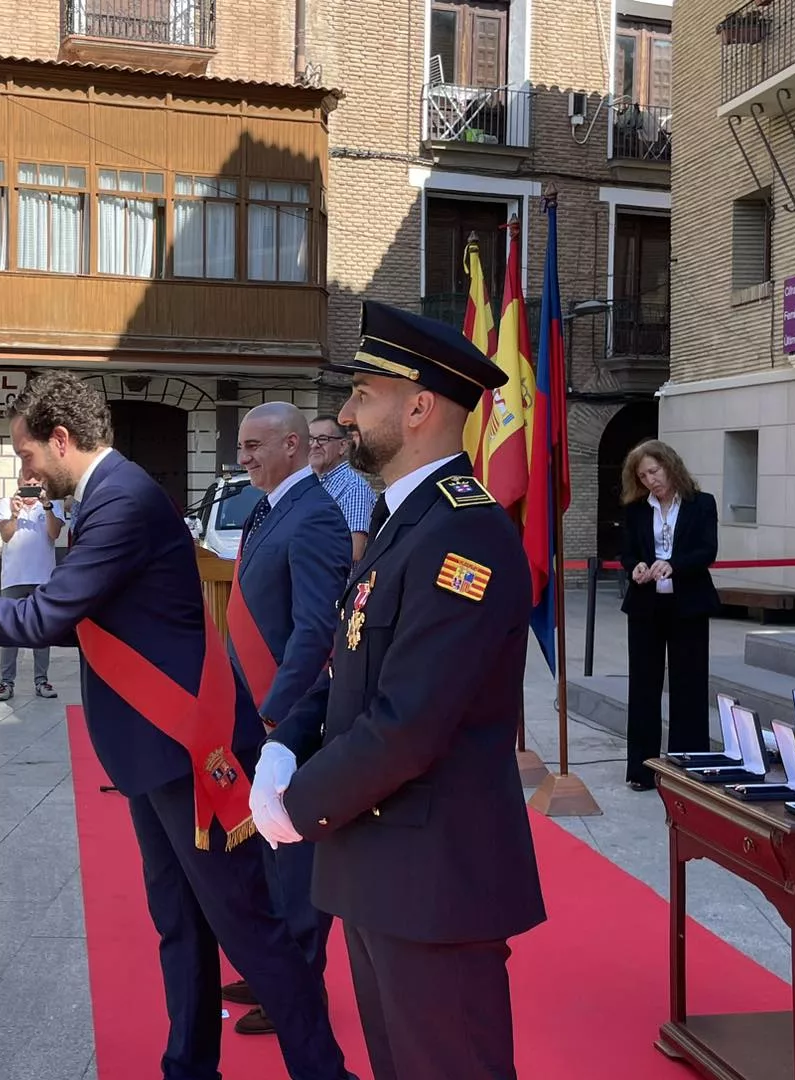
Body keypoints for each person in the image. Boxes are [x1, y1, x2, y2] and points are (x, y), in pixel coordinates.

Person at [0, 372, 357, 1080]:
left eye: (26, 455)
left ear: (60, 439)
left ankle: (324, 1072)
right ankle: (189, 1066)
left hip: (187, 749)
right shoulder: (107, 498)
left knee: (250, 931)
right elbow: (87, 617)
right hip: (153, 752)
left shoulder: (123, 501)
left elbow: (49, 615)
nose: (25, 471)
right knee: (180, 925)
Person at [251, 300, 545, 1080]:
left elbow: (409, 721)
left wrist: (297, 805)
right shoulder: (402, 520)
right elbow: (354, 666)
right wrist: (286, 743)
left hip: (434, 879)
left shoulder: (465, 533)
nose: (346, 415)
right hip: (381, 867)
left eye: (362, 395)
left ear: (418, 409)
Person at [221, 403, 352, 1036]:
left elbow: (315, 629)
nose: (242, 456)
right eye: (241, 446)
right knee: (267, 846)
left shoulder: (316, 514)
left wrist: (278, 710)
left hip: (289, 714)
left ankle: (300, 990)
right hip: (255, 706)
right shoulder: (268, 508)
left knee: (294, 858)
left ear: (293, 445)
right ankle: (274, 969)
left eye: (254, 445)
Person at [619, 439, 719, 792]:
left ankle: (688, 769)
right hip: (646, 606)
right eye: (643, 476)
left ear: (670, 466)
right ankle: (642, 769)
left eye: (654, 471)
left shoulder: (701, 504)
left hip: (689, 605)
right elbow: (628, 553)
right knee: (643, 687)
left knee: (689, 686)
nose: (650, 480)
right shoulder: (636, 510)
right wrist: (636, 566)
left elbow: (707, 551)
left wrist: (673, 565)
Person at [0, 468, 64, 702]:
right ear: (19, 484)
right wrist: (14, 514)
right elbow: (6, 535)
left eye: (35, 485)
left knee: (41, 631)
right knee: (9, 631)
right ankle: (6, 682)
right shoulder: (6, 504)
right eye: (26, 484)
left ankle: (41, 680)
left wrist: (46, 506)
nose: (31, 489)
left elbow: (54, 534)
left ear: (42, 484)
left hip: (43, 578)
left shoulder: (52, 505)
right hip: (13, 578)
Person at [308, 414, 376, 563]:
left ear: (343, 446)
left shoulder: (353, 488)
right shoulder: (312, 484)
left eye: (323, 439)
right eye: (310, 439)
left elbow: (355, 551)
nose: (314, 445)